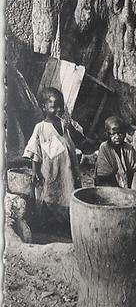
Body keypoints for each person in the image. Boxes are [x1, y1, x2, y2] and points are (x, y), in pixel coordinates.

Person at [23, 87, 83, 227]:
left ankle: (66, 224)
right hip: (51, 171)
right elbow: (35, 150)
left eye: (61, 106)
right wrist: (35, 170)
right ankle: (49, 226)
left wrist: (71, 127)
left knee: (69, 191)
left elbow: (79, 139)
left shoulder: (65, 124)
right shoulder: (40, 128)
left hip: (67, 169)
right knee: (51, 194)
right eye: (54, 107)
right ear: (44, 107)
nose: (59, 110)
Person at [94, 116, 136, 191]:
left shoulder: (128, 148)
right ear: (107, 134)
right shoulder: (104, 148)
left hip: (127, 185)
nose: (117, 137)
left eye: (120, 133)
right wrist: (119, 191)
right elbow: (104, 175)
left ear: (125, 134)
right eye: (113, 134)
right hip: (108, 185)